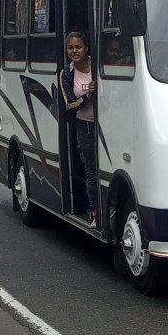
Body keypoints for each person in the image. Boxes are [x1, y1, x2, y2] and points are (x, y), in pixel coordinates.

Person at [59, 32, 99, 229]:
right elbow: (71, 105)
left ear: (87, 48)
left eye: (78, 47)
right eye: (70, 48)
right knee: (91, 171)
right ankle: (95, 213)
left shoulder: (100, 65)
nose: (74, 51)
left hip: (108, 123)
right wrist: (88, 95)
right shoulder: (66, 74)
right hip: (85, 125)